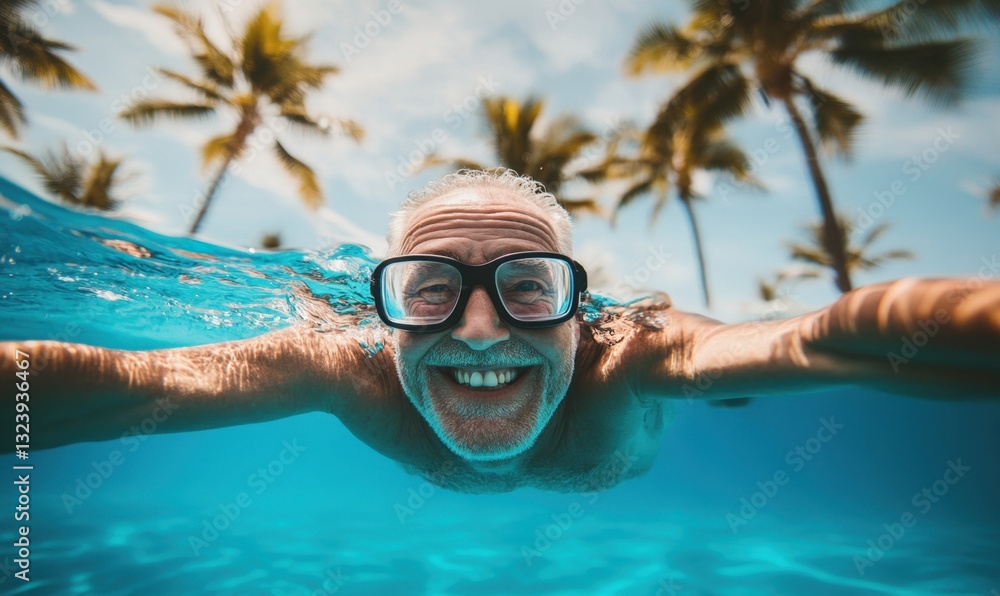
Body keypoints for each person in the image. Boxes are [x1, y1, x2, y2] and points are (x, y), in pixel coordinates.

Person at [3, 169, 999, 493]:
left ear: (578, 306)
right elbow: (134, 385)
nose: (480, 331)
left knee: (729, 378)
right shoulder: (344, 366)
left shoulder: (635, 354)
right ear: (383, 308)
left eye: (527, 287)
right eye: (430, 289)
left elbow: (825, 338)